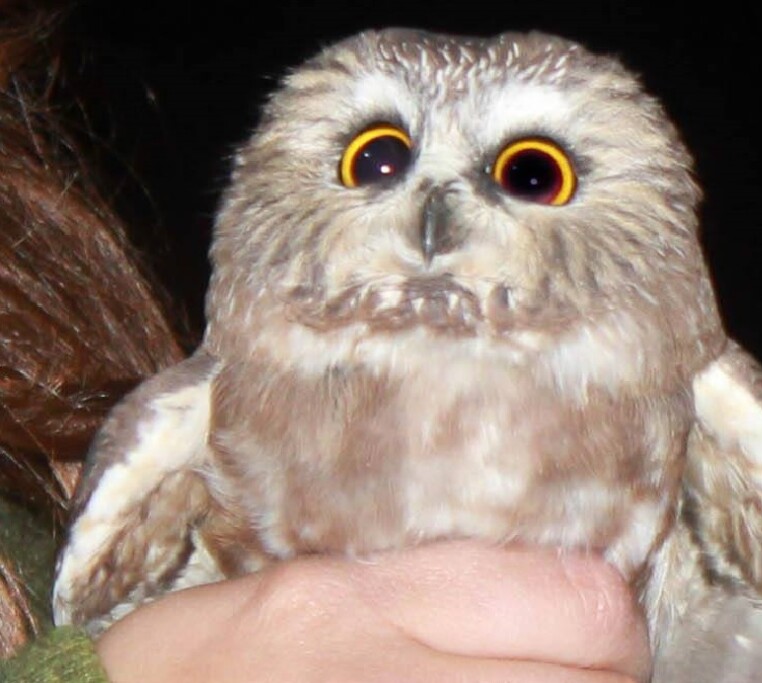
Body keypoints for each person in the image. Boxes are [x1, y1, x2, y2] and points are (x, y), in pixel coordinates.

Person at [0, 5, 652, 682]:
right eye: (376, 162)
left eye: (530, 173)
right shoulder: (201, 408)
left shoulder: (52, 333)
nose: (440, 205)